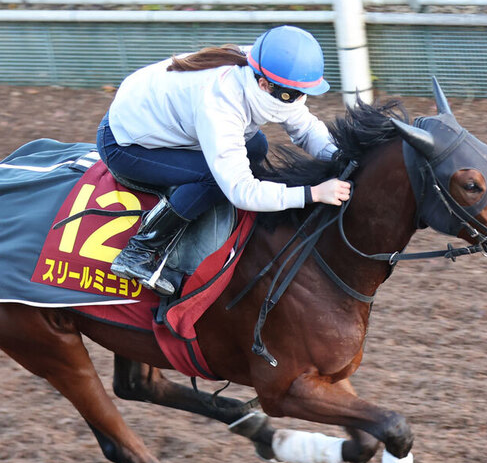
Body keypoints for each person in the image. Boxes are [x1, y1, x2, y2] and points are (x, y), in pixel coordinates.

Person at [96, 25, 351, 296]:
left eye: (304, 92)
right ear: (265, 84)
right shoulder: (221, 102)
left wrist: (340, 156)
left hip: (162, 123)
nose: (299, 100)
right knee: (214, 179)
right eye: (292, 94)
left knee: (257, 145)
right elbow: (240, 191)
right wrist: (312, 194)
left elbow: (304, 127)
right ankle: (141, 250)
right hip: (125, 144)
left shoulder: (266, 71)